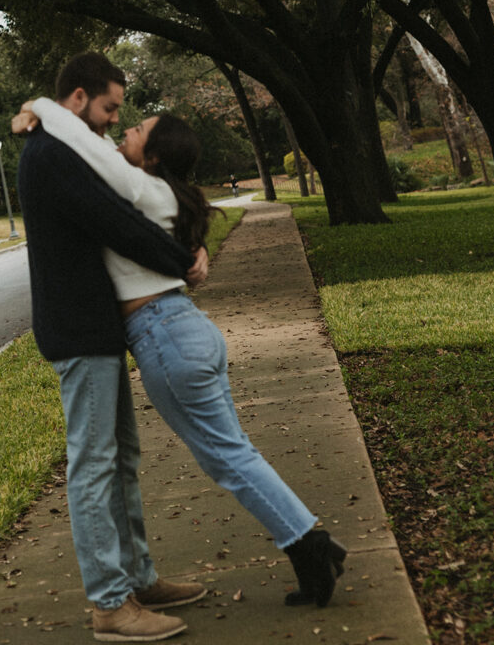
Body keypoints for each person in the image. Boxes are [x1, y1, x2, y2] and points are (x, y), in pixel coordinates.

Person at [17, 94, 348, 609]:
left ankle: (308, 545)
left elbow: (87, 142)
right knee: (236, 453)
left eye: (137, 131)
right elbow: (95, 148)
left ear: (153, 157)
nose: (124, 131)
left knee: (228, 458)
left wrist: (41, 104)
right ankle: (311, 542)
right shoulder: (154, 194)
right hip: (183, 331)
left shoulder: (141, 188)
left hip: (165, 337)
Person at [16, 52, 210, 644]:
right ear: (78, 98)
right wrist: (182, 261)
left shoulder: (67, 146)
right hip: (77, 328)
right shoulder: (51, 154)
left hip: (96, 327)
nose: (113, 119)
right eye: (108, 107)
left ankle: (138, 579)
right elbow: (116, 223)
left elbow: (131, 207)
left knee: (121, 459)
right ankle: (109, 603)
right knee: (95, 464)